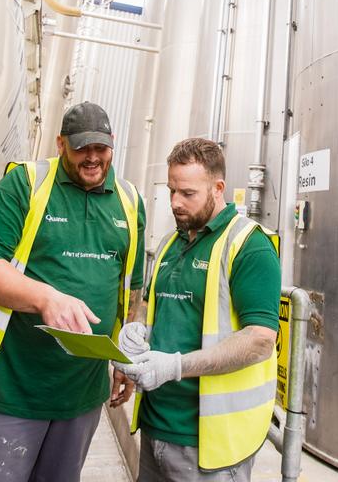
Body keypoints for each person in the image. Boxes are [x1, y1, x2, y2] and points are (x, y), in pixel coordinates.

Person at [0, 102, 146, 482]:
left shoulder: (129, 202)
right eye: (81, 148)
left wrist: (126, 355)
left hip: (83, 396)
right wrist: (46, 298)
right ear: (60, 144)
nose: (92, 158)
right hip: (12, 387)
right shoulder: (25, 184)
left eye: (101, 147)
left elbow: (132, 292)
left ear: (113, 143)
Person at [116, 137, 280, 482]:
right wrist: (138, 326)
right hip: (155, 424)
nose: (175, 202)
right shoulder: (172, 241)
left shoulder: (249, 246)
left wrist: (176, 366)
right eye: (172, 190)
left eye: (187, 193)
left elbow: (260, 340)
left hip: (210, 445)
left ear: (218, 188)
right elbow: (149, 302)